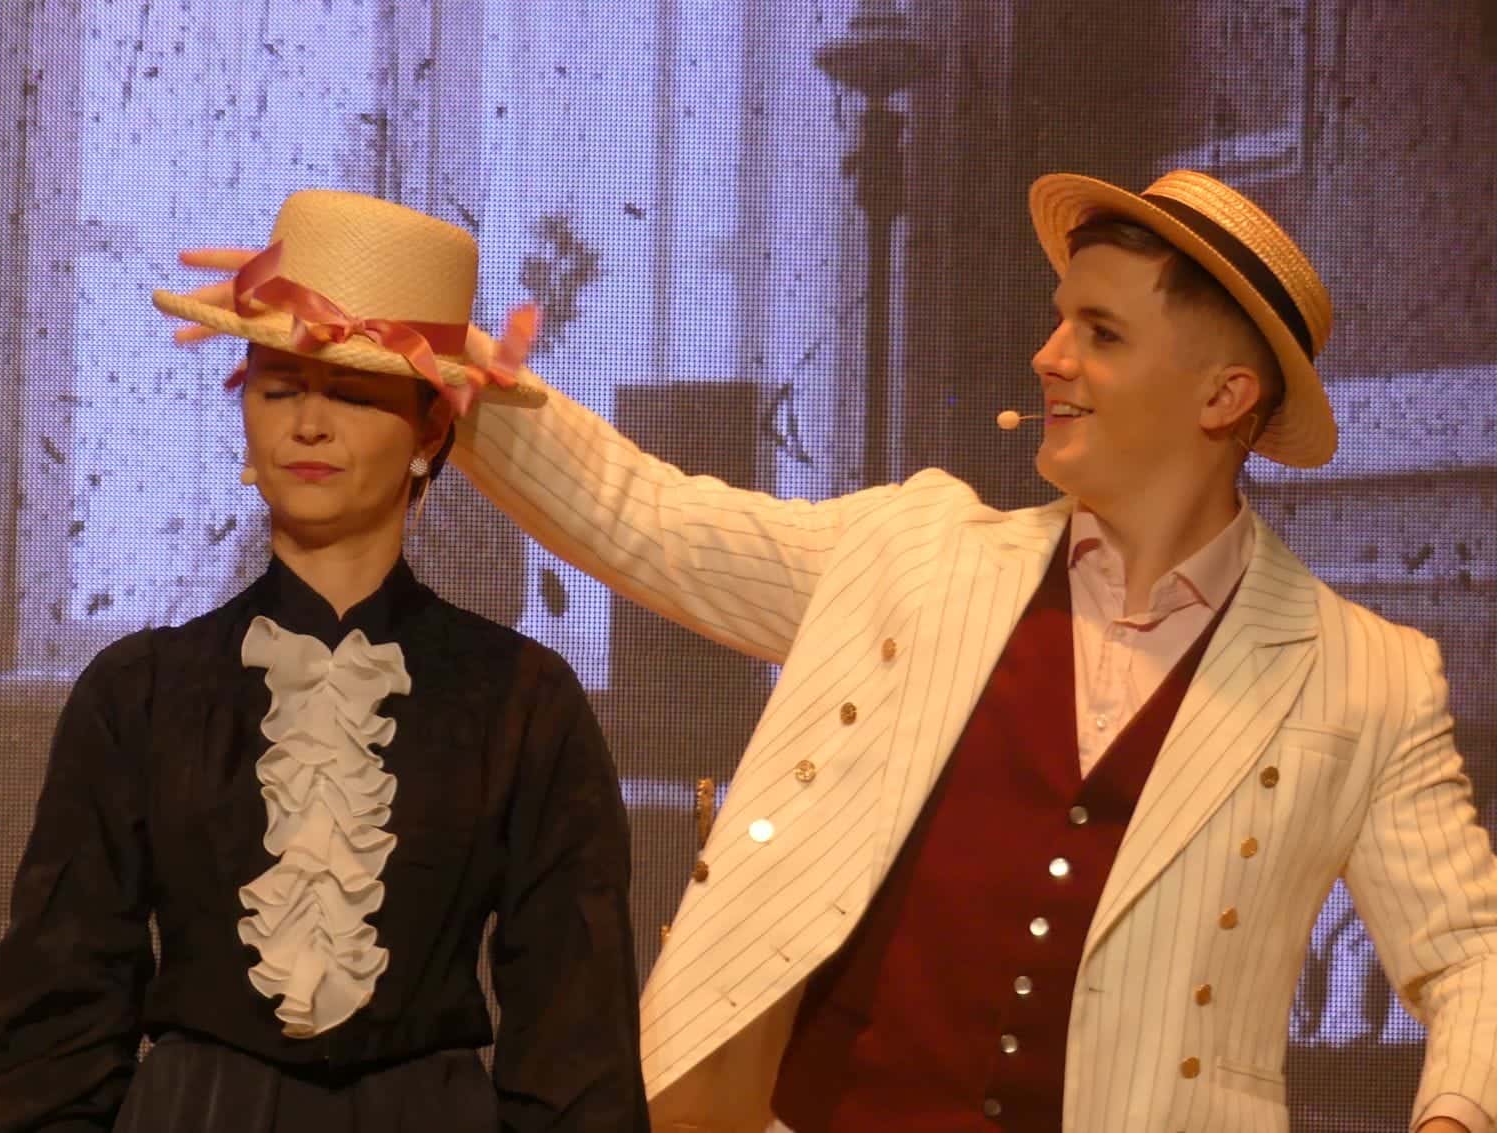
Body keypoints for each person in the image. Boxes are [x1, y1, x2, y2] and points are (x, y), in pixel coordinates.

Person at [439, 170, 1497, 1132]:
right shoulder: (916, 555)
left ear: (1222, 396)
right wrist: (438, 355)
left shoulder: (1365, 674)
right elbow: (644, 515)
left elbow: (1471, 955)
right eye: (1058, 319)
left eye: (1100, 332)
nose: (1050, 355)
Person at [0, 190, 650, 1133]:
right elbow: (53, 1023)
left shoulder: (522, 701)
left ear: (431, 432)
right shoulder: (140, 693)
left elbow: (574, 1049)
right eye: (279, 388)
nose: (309, 424)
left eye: (352, 393)